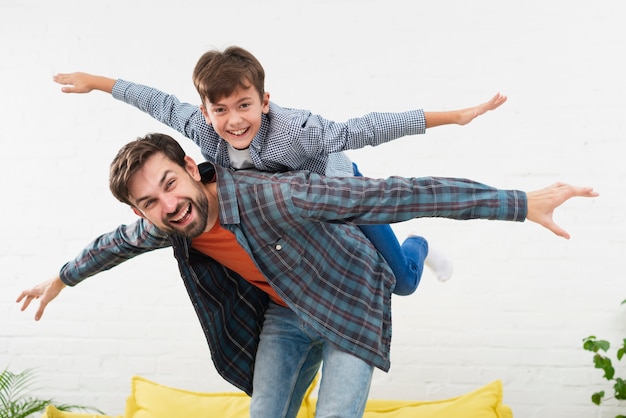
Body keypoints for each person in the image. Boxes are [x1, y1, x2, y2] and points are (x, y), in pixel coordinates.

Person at [17, 133, 597, 418]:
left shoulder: (274, 195)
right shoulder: (164, 224)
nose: (166, 206)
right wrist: (61, 279)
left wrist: (519, 202)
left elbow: (396, 193)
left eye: (169, 184)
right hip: (287, 312)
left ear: (192, 169)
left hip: (348, 299)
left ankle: (418, 250)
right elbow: (111, 245)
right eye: (148, 202)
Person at [52, 45, 508, 294]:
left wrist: (451, 116)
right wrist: (96, 83)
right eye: (221, 109)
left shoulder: (298, 132)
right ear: (206, 111)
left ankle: (419, 245)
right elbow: (158, 101)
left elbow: (365, 128)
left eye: (245, 106)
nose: (234, 121)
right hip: (289, 213)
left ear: (264, 102)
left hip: (341, 192)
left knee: (402, 284)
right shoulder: (204, 128)